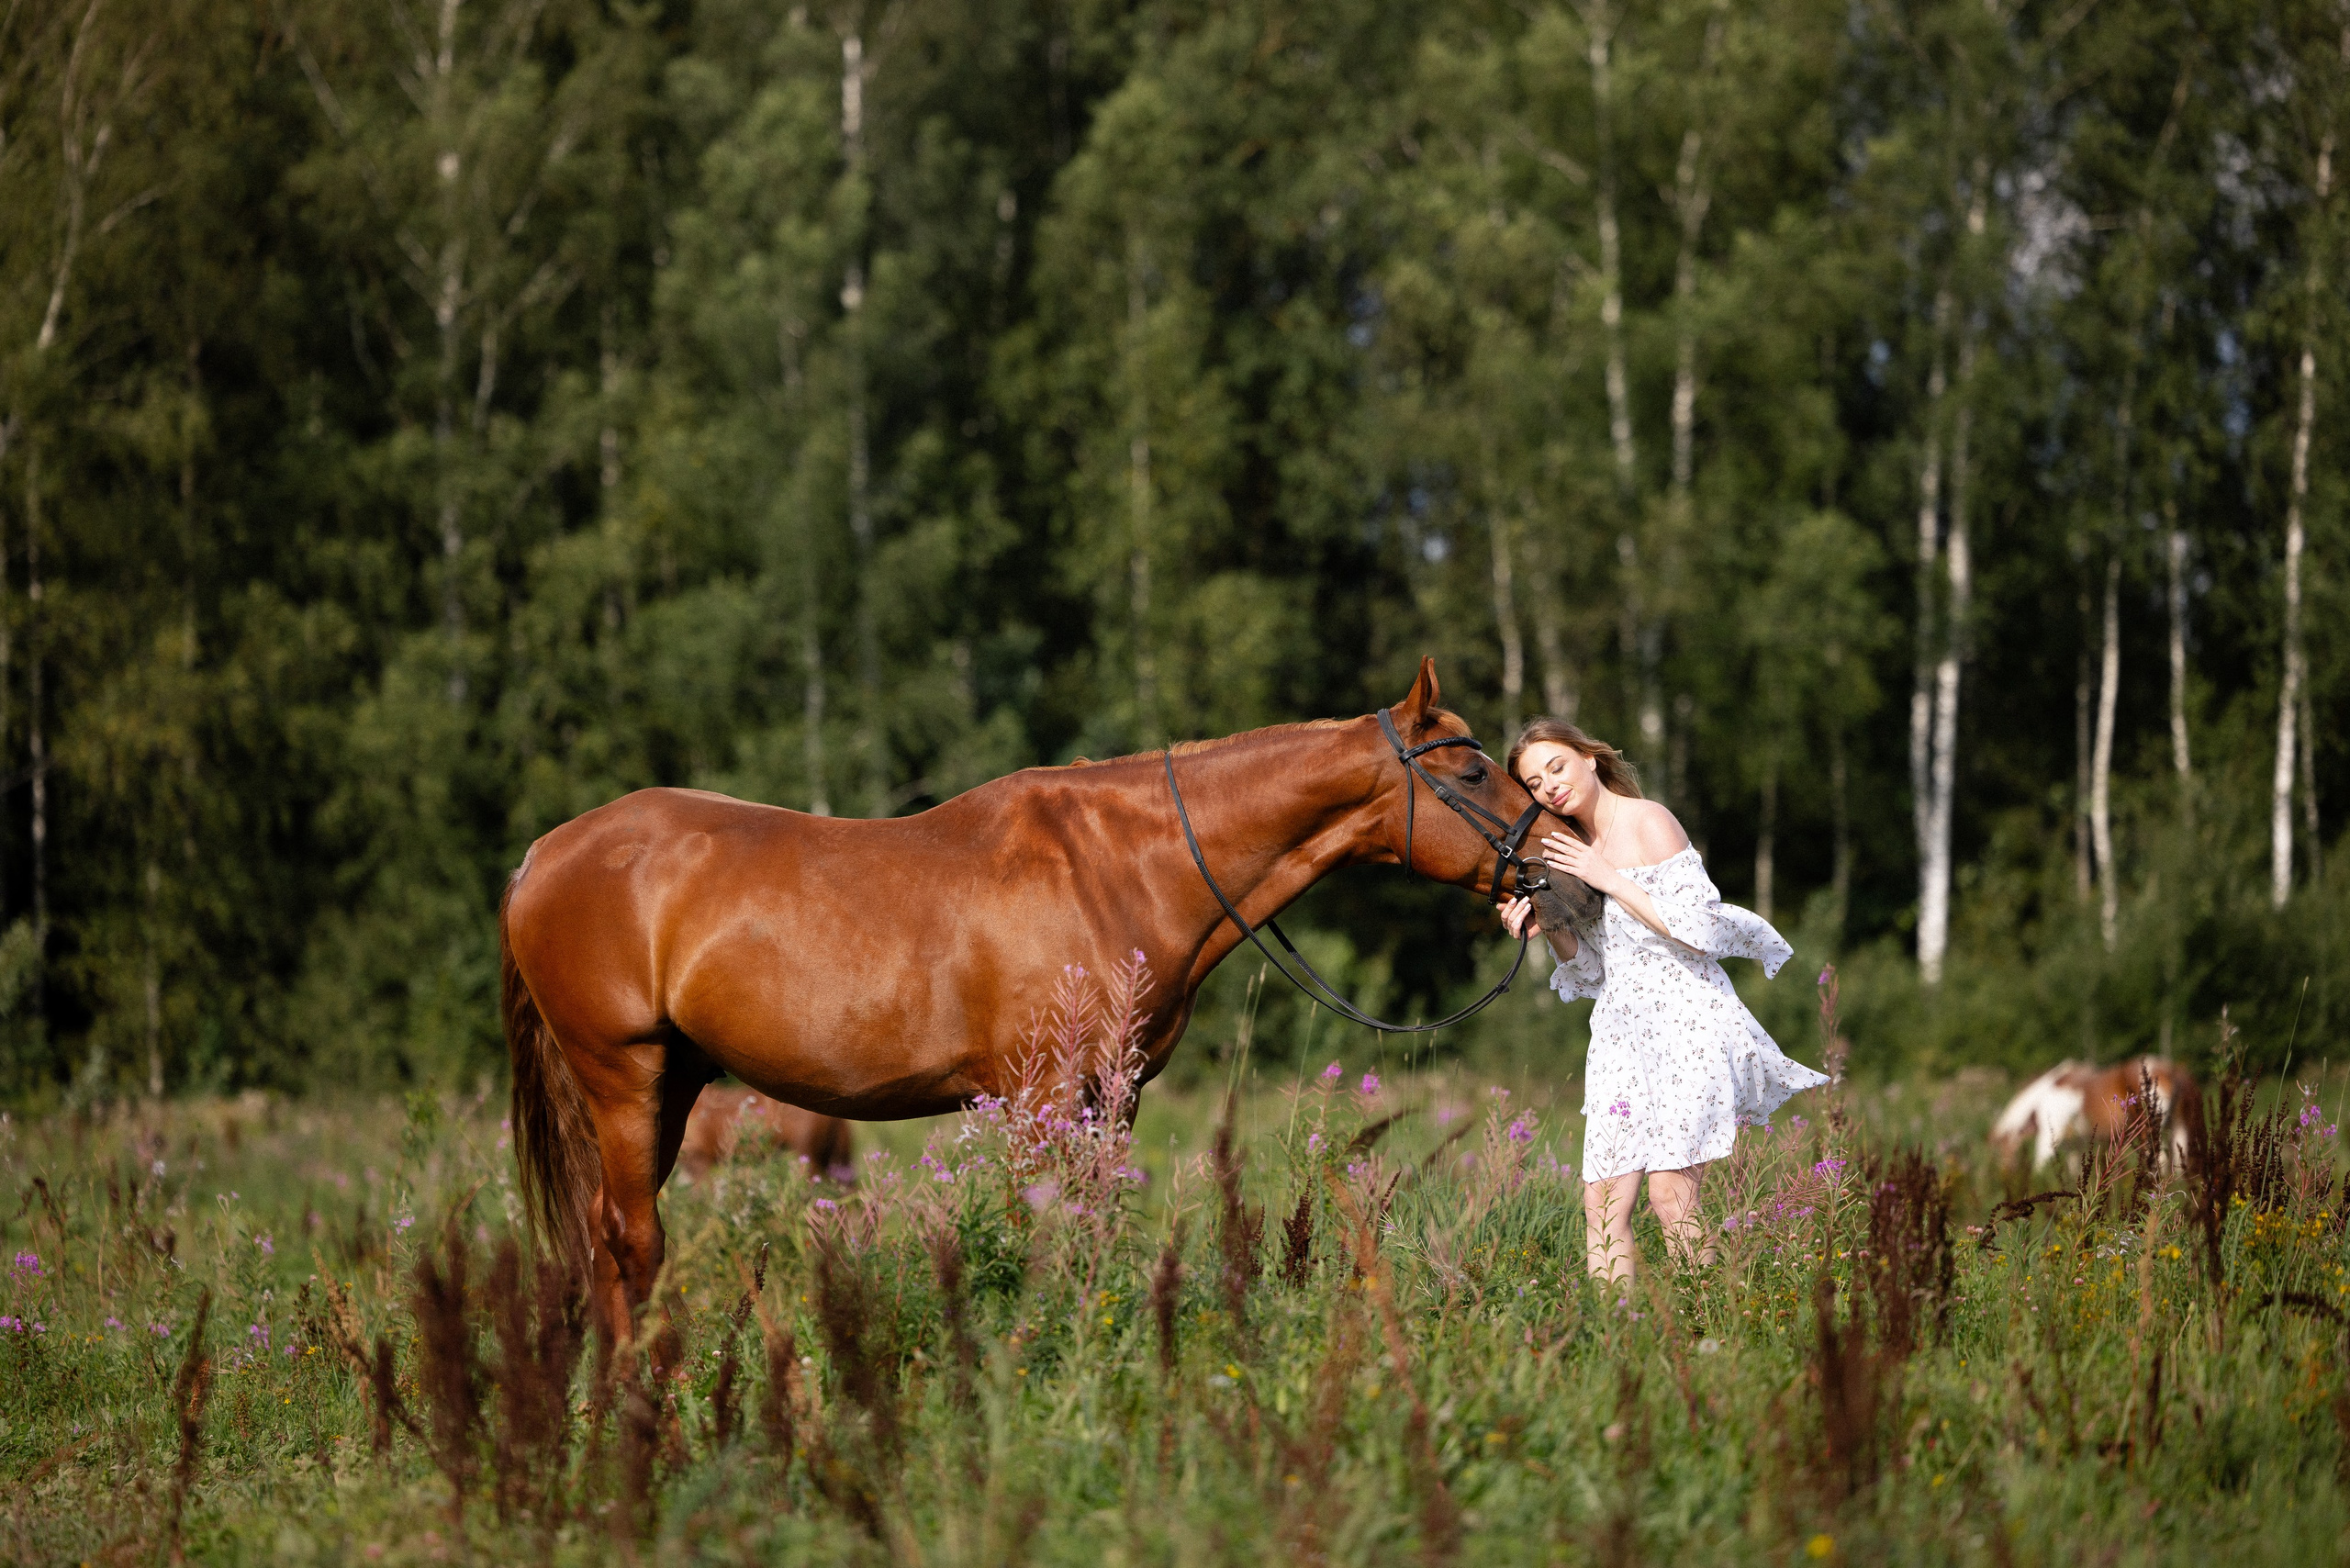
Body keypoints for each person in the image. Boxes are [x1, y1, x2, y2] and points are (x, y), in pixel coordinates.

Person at [1497, 718, 1827, 1287]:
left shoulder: (1648, 821)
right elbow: (1593, 971)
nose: (1549, 786)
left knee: (1671, 1196)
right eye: (1533, 782)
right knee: (1602, 1206)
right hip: (1621, 1037)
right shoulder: (1570, 850)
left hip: (1689, 1024)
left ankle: (1712, 1327)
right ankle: (1618, 1343)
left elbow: (1699, 929)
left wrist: (1611, 879)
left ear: (1589, 759)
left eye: (1557, 767)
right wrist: (1546, 923)